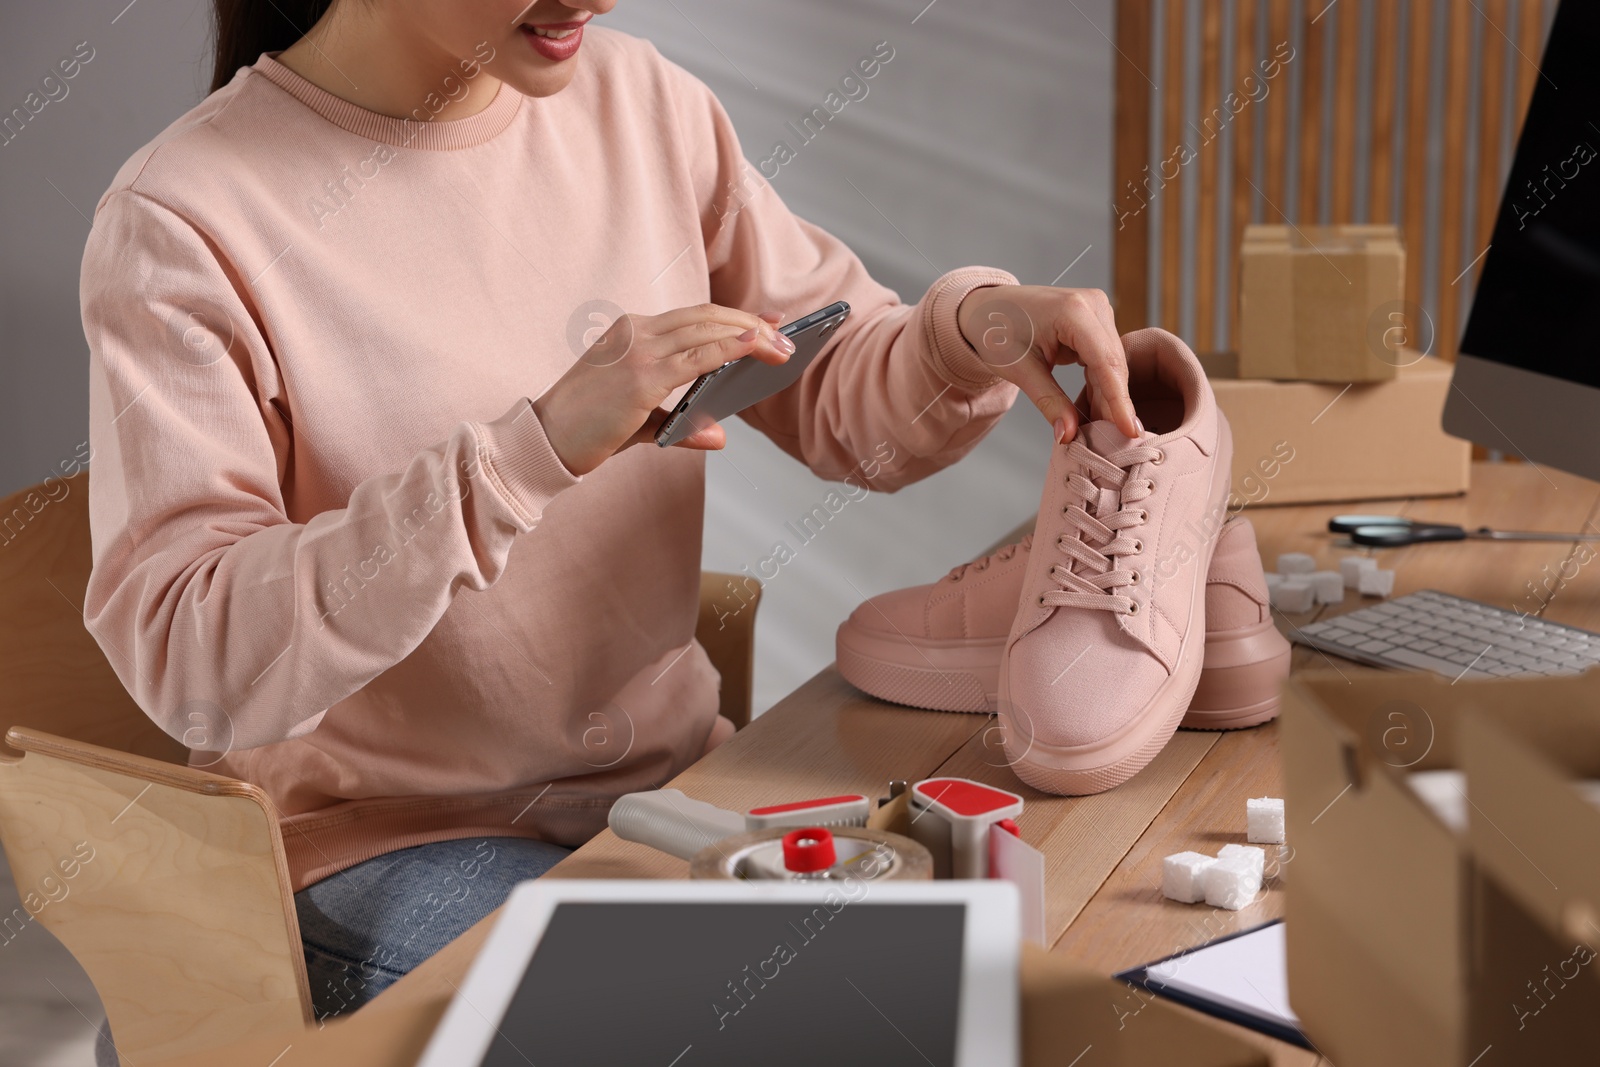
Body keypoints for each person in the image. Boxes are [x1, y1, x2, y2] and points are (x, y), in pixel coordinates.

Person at [79, 0, 1140, 1047]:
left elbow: (839, 403)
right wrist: (525, 451)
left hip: (668, 794)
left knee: (1026, 972)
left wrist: (964, 336)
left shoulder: (639, 102)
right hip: (386, 852)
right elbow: (194, 659)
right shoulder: (186, 219)